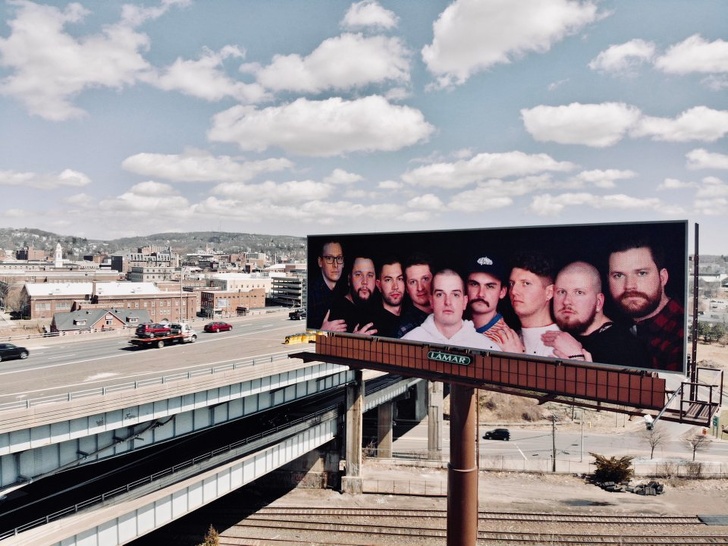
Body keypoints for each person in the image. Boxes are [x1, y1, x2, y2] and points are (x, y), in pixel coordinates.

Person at [542, 261, 651, 367]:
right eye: (561, 292)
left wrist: (577, 358)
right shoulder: (556, 336)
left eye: (579, 292)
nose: (566, 301)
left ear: (599, 302)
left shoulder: (626, 348)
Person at [607, 238, 684, 371]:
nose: (629, 286)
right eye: (618, 275)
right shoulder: (615, 325)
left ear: (662, 278)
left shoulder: (681, 336)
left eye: (642, 273)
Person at [402, 268, 500, 350]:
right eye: (440, 294)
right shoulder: (407, 344)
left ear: (465, 302)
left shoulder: (487, 349)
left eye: (455, 295)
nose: (447, 302)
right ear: (431, 301)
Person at [464, 254, 524, 353]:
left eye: (490, 286)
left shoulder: (506, 341)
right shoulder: (457, 325)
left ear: (502, 292)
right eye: (474, 284)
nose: (480, 294)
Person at [508, 251, 560, 357]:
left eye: (526, 284)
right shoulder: (512, 339)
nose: (513, 291)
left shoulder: (558, 348)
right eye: (512, 283)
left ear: (549, 292)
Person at [325, 254, 378, 335]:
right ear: (349, 279)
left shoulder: (376, 310)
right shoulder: (336, 313)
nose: (365, 281)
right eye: (358, 274)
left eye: (370, 275)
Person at [309, 239, 345, 330]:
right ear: (320, 262)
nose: (335, 265)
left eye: (339, 258)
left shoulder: (347, 291)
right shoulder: (310, 294)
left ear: (343, 262)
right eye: (329, 258)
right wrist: (322, 332)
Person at [396, 253, 434, 338]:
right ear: (406, 289)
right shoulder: (404, 329)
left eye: (425, 279)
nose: (420, 288)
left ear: (434, 280)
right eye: (413, 282)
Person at [372, 257, 405, 338]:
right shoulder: (372, 326)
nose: (395, 286)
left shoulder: (414, 317)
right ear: (379, 285)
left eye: (400, 279)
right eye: (388, 280)